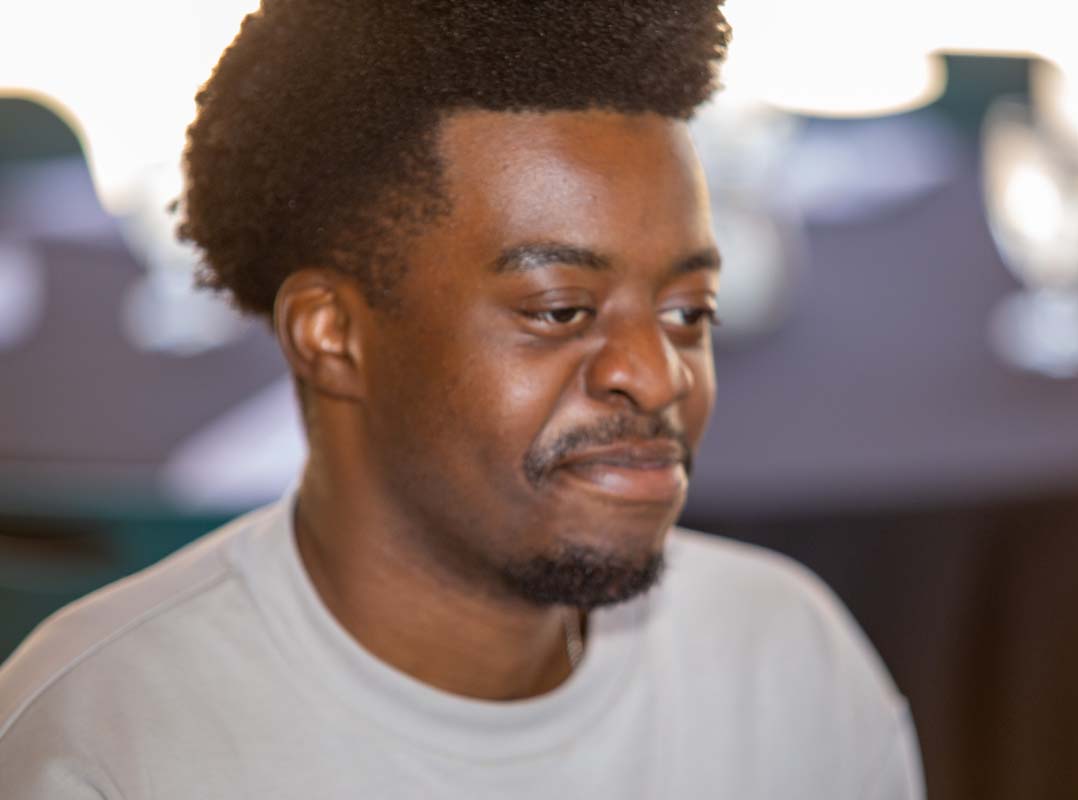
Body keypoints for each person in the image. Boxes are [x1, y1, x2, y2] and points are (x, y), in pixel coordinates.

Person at [0, 1, 923, 797]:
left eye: (689, 311)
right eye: (562, 309)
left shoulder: (789, 668)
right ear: (333, 335)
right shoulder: (102, 745)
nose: (658, 374)